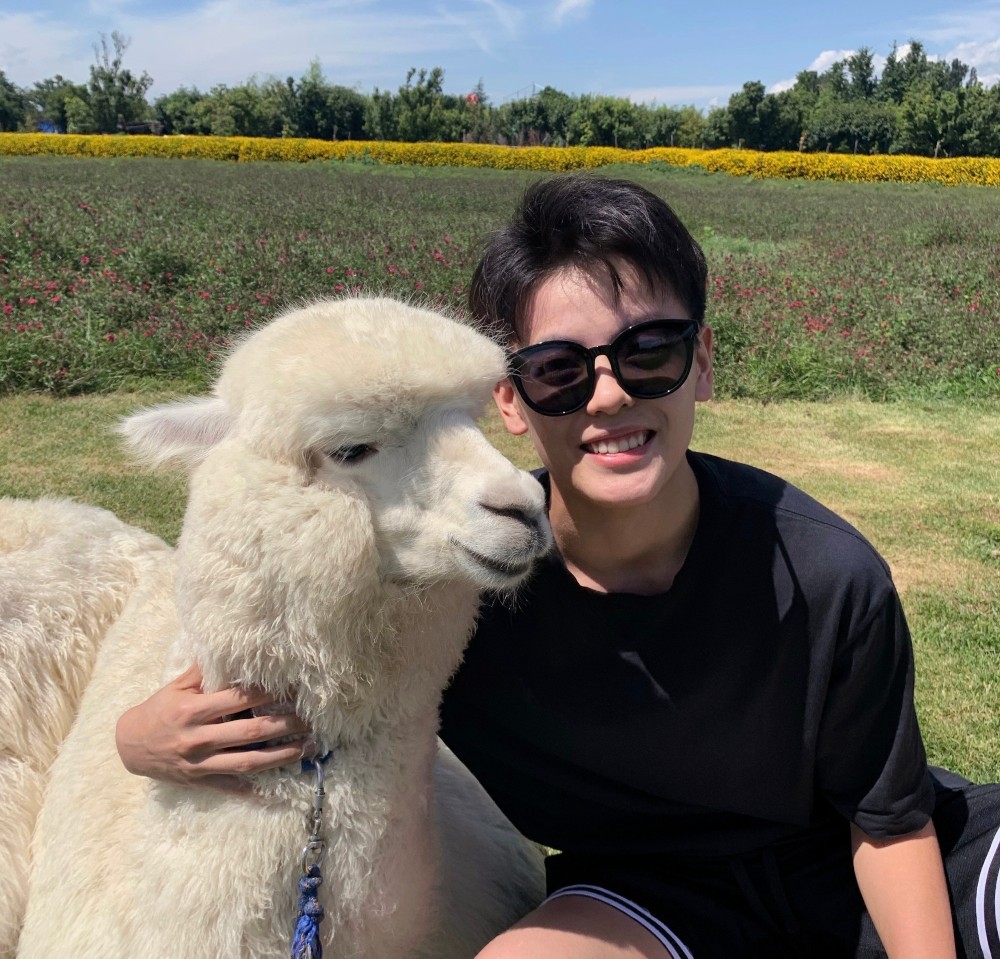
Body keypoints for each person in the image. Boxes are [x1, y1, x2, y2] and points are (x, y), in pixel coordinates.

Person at [116, 173, 1000, 958]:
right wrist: (138, 739)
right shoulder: (461, 594)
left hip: (873, 864)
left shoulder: (822, 574)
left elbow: (890, 825)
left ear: (701, 364)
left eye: (650, 352)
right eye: (559, 370)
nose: (608, 394)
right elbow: (319, 689)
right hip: (654, 895)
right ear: (510, 399)